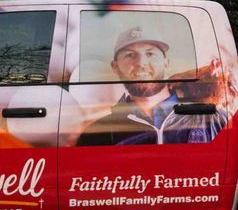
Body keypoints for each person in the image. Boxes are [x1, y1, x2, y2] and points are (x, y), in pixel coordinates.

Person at [77, 25, 229, 146]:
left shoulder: (212, 118)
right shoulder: (97, 132)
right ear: (115, 66)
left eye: (150, 54)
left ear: (166, 62)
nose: (141, 63)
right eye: (130, 55)